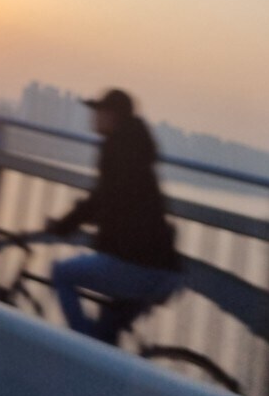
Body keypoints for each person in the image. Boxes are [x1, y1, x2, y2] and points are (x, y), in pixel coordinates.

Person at [46, 88, 182, 345]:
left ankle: (82, 353)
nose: (94, 116)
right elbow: (119, 203)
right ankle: (98, 355)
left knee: (61, 273)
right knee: (106, 336)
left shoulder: (118, 150)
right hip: (163, 270)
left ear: (113, 116)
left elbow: (101, 198)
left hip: (136, 266)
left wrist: (62, 226)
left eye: (99, 111)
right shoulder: (136, 149)